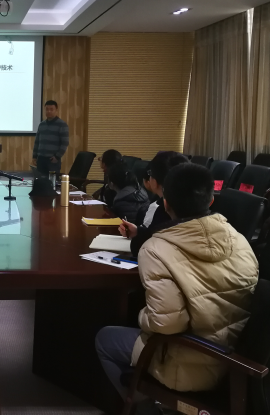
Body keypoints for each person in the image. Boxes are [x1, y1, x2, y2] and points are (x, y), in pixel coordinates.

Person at [96, 164, 258, 400]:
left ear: (165, 204)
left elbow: (166, 325)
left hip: (186, 365)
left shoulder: (155, 249)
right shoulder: (240, 240)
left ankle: (144, 407)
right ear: (211, 200)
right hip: (235, 363)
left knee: (105, 339)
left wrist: (141, 316)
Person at [119, 152, 189, 256]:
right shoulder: (193, 204)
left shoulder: (165, 209)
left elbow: (142, 248)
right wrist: (138, 231)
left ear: (155, 182)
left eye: (150, 173)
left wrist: (138, 237)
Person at [32, 100, 69, 176]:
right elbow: (37, 142)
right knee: (40, 180)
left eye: (51, 109)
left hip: (52, 160)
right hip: (41, 159)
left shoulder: (62, 125)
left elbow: (65, 143)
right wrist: (34, 156)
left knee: (52, 181)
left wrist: (57, 157)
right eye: (47, 109)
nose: (49, 111)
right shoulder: (41, 125)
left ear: (56, 110)